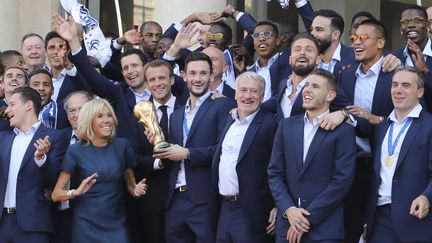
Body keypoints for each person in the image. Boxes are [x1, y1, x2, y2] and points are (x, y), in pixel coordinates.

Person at [153, 52, 235, 243]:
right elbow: (171, 153)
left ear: (211, 75)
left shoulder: (223, 105)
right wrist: (159, 146)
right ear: (184, 75)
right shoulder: (176, 115)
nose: (197, 79)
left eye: (203, 73)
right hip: (175, 199)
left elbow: (224, 150)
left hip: (204, 199)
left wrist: (188, 154)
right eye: (193, 73)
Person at [268, 69, 356, 243]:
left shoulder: (344, 131)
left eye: (315, 86)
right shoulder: (286, 125)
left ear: (330, 95)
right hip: (287, 227)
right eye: (306, 85)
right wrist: (289, 210)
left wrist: (307, 218)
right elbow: (274, 173)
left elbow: (342, 180)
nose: (306, 90)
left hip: (324, 229)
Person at [51, 98, 147, 243]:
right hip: (85, 225)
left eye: (109, 115)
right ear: (89, 120)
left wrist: (136, 190)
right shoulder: (75, 151)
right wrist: (75, 192)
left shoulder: (122, 146)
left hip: (117, 223)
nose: (107, 120)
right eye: (100, 116)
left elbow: (131, 184)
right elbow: (56, 194)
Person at [337, 19, 395, 243]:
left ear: (380, 42)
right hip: (351, 163)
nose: (356, 43)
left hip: (384, 165)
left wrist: (374, 119)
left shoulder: (395, 75)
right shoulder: (346, 73)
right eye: (354, 38)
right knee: (350, 227)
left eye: (363, 38)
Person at [365, 66, 432, 242]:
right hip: (379, 220)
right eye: (394, 85)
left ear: (420, 92)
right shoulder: (383, 127)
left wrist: (427, 196)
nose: (398, 90)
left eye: (406, 85)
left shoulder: (429, 126)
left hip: (416, 220)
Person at [212, 71, 278, 243]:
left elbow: (280, 166)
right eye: (243, 90)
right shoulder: (230, 120)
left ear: (262, 97)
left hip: (251, 209)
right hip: (224, 207)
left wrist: (277, 205)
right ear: (235, 93)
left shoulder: (270, 123)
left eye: (254, 92)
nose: (247, 96)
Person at [0, 87, 68, 243]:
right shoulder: (2, 138)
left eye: (12, 104)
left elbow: (55, 180)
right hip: (3, 223)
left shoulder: (54, 136)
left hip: (33, 224)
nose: (7, 109)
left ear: (28, 105)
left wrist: (41, 159)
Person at [51, 90, 93, 243]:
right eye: (71, 110)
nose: (76, 115)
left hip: (92, 217)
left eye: (81, 109)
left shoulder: (104, 139)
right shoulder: (57, 137)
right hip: (61, 215)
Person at [0, 66, 27, 131]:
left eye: (19, 76)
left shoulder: (32, 107)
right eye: (9, 76)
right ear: (2, 84)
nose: (14, 78)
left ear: (26, 85)